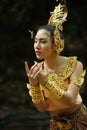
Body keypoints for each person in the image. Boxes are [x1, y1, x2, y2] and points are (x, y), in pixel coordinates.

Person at [25, 1, 87, 130]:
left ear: (56, 44)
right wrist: (34, 85)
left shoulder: (75, 65)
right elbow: (42, 108)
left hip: (80, 121)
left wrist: (46, 82)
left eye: (42, 41)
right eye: (35, 41)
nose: (37, 46)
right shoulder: (37, 70)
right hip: (56, 124)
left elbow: (70, 100)